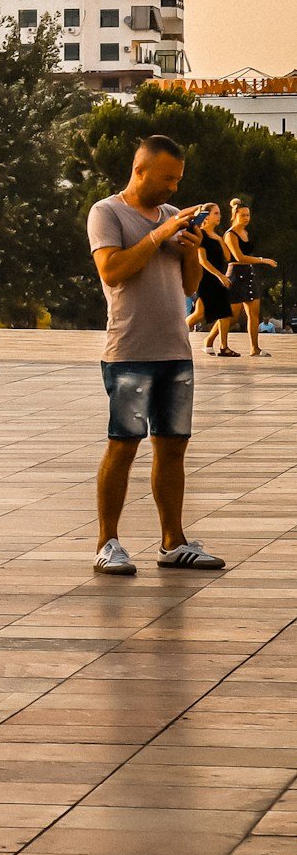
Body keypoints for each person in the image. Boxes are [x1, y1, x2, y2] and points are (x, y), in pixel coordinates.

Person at [88, 135, 223, 575]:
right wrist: (158, 235)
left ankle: (173, 542)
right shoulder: (107, 212)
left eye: (179, 180)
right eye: (167, 179)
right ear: (140, 170)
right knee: (123, 445)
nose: (174, 190)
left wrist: (191, 248)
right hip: (129, 349)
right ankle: (107, 542)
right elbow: (112, 270)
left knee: (173, 447)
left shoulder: (171, 217)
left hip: (174, 351)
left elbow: (188, 288)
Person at [224, 199, 277, 358]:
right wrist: (262, 260)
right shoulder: (230, 234)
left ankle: (255, 348)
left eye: (248, 215)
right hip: (236, 273)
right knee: (232, 317)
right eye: (243, 215)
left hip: (249, 273)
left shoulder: (245, 233)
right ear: (234, 215)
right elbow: (239, 257)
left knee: (253, 313)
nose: (246, 218)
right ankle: (213, 340)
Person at [192, 205, 237, 356]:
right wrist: (220, 276)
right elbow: (202, 261)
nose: (219, 216)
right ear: (206, 216)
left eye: (219, 213)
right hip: (206, 279)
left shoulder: (216, 236)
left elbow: (228, 257)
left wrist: (220, 239)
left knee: (224, 313)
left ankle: (224, 347)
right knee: (199, 314)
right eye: (215, 213)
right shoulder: (201, 236)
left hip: (219, 280)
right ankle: (172, 337)